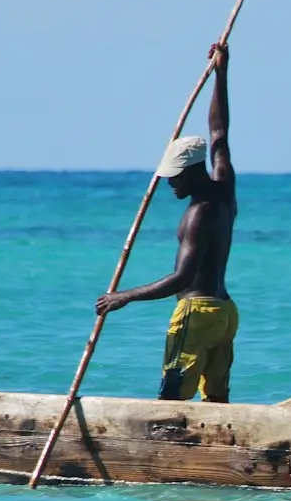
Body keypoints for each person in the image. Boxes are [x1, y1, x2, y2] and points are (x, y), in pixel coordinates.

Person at [96, 43, 239, 402]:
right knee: (216, 401)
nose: (171, 183)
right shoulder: (224, 187)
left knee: (173, 399)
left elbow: (182, 278)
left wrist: (124, 296)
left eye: (176, 176)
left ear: (193, 171)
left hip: (196, 312)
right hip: (224, 312)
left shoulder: (199, 213)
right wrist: (220, 74)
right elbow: (219, 131)